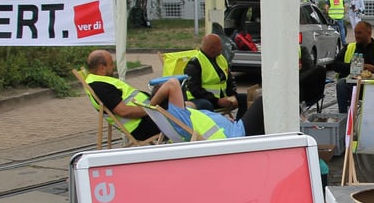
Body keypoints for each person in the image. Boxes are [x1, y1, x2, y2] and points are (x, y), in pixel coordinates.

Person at [85, 50, 266, 140]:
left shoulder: (100, 82)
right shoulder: (100, 85)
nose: (113, 67)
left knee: (196, 105)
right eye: (110, 65)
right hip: (149, 121)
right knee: (262, 102)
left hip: (158, 117)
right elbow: (124, 111)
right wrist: (152, 107)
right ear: (101, 68)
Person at [183, 33, 246, 117]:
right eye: (219, 45)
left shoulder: (221, 58)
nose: (222, 47)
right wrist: (217, 101)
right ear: (212, 49)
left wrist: (232, 95)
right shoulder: (195, 64)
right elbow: (195, 90)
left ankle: (239, 126)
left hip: (222, 99)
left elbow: (230, 79)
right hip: (199, 99)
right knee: (206, 105)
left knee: (244, 98)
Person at [333, 20, 374, 113]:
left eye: (359, 33)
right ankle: (344, 118)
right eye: (355, 32)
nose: (356, 36)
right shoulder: (349, 47)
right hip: (353, 85)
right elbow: (335, 64)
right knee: (341, 84)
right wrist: (354, 67)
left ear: (369, 33)